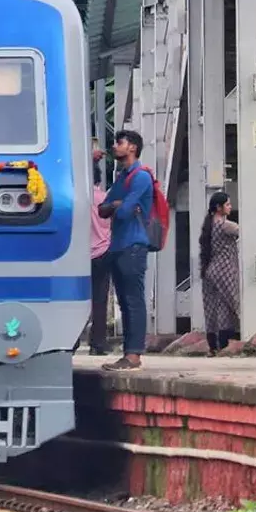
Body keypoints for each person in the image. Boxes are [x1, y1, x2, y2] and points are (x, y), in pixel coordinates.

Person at [97, 129, 152, 371]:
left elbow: (122, 210)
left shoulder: (141, 177)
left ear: (132, 147)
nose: (115, 146)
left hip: (133, 245)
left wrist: (117, 205)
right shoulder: (123, 178)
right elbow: (102, 209)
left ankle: (133, 354)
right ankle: (129, 354)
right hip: (118, 245)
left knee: (133, 300)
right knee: (125, 301)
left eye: (119, 142)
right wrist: (118, 204)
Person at [199, 192, 240, 354]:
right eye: (228, 204)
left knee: (212, 308)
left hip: (210, 269)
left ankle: (213, 346)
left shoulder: (208, 224)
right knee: (229, 306)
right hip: (225, 268)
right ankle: (224, 343)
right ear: (219, 207)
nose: (230, 207)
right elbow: (243, 231)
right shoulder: (226, 225)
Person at [86, 161, 113, 355]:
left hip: (78, 255)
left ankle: (73, 341)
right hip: (103, 252)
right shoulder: (105, 198)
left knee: (75, 298)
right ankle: (98, 343)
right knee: (99, 300)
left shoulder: (77, 199)